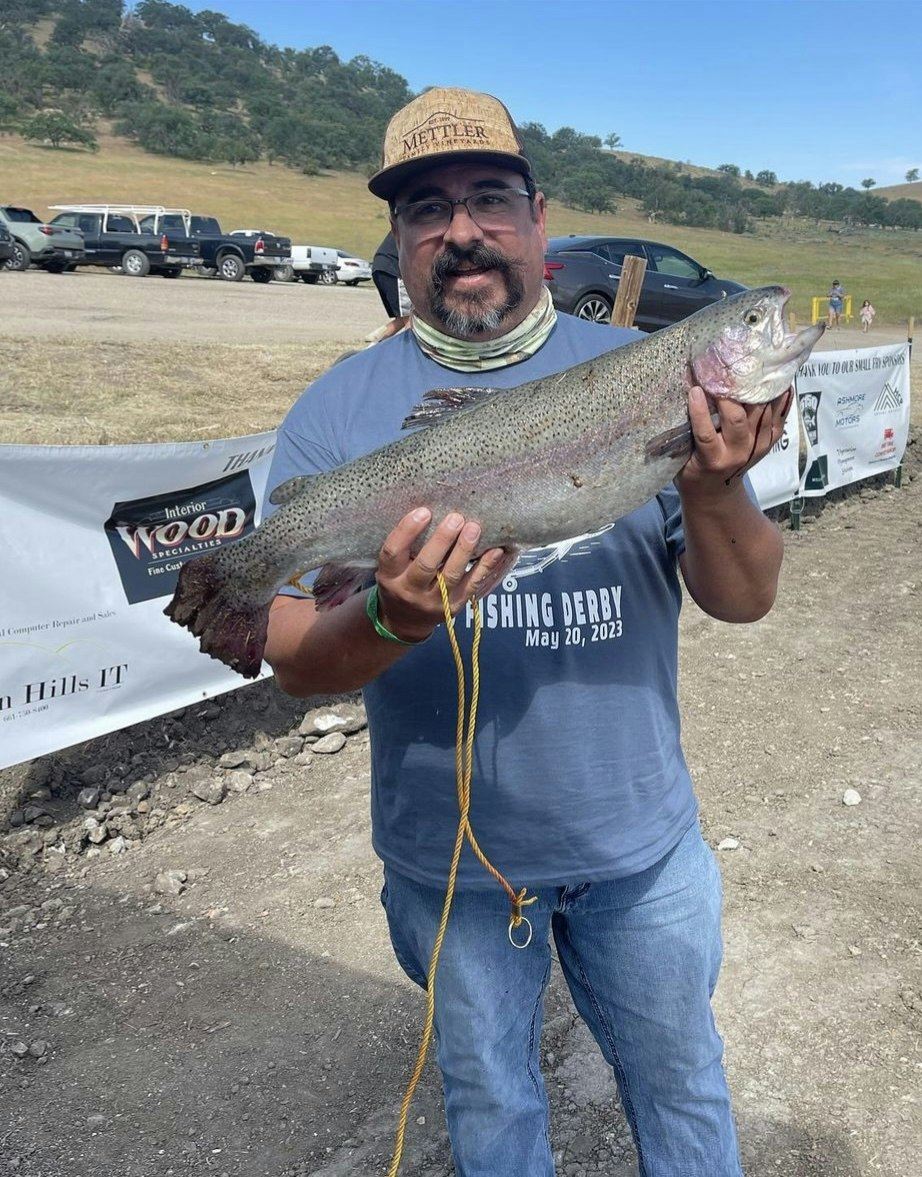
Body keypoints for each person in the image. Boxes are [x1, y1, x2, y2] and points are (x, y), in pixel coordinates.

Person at [263, 87, 790, 1177]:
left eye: (490, 198)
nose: (462, 229)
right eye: (427, 209)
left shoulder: (651, 373)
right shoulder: (335, 414)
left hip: (637, 848)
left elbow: (743, 600)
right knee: (494, 1111)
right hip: (449, 865)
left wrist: (713, 487)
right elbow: (292, 659)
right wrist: (388, 616)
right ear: (400, 241)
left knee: (682, 1084)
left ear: (539, 220)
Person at [370, 230, 413, 341]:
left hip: (383, 267)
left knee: (402, 318)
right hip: (393, 268)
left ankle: (375, 344)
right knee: (410, 319)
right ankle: (411, 355)